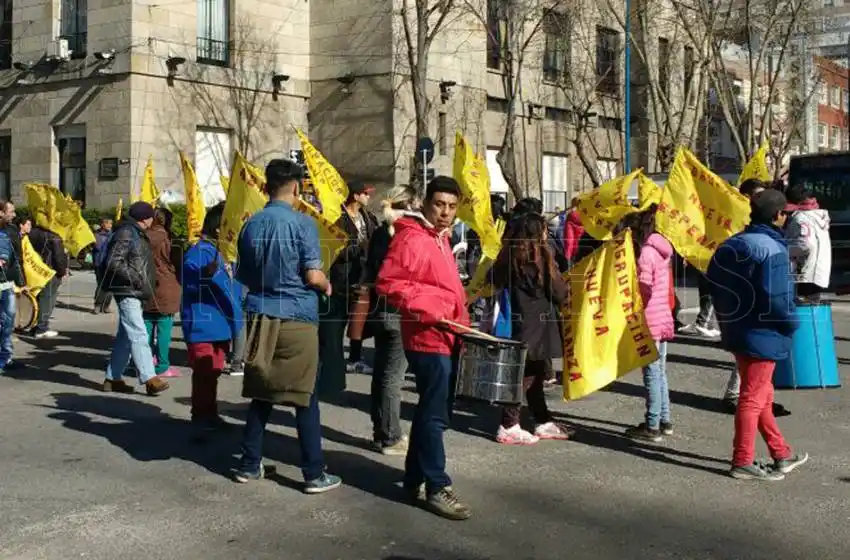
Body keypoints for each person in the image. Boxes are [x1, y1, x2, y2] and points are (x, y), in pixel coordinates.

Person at [233, 158, 341, 494]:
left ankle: (249, 464)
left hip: (260, 316)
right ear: (296, 187)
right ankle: (313, 473)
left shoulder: (250, 225)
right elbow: (312, 273)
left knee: (262, 395)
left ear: (266, 187)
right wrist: (325, 283)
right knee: (303, 397)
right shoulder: (303, 224)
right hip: (297, 317)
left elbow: (244, 275)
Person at [376, 176, 472, 521]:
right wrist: (434, 308)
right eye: (439, 205)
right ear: (425, 204)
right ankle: (436, 485)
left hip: (448, 335)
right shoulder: (412, 238)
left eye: (451, 206)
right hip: (426, 336)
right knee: (435, 414)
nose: (445, 212)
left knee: (431, 411)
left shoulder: (439, 238)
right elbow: (388, 283)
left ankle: (414, 477)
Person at [707, 190, 808, 481]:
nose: (786, 217)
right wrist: (791, 323)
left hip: (738, 329)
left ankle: (781, 453)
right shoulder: (772, 249)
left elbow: (713, 281)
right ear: (777, 216)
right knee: (753, 397)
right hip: (763, 332)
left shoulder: (732, 243)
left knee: (761, 395)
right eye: (784, 213)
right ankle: (742, 461)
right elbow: (776, 297)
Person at [491, 212, 571, 445]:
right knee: (524, 376)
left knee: (533, 374)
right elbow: (559, 292)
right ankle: (508, 424)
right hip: (537, 324)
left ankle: (542, 419)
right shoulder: (542, 258)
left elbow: (493, 280)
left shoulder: (508, 256)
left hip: (518, 323)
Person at [364, 186, 420, 456]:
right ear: (409, 204)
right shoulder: (407, 233)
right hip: (399, 311)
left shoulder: (379, 232)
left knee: (382, 374)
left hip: (380, 309)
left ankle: (381, 431)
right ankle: (390, 435)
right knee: (392, 377)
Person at [181, 202, 242, 431]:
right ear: (219, 228)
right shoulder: (199, 251)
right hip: (202, 324)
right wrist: (203, 275)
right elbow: (188, 276)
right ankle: (199, 417)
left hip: (222, 323)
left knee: (214, 371)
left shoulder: (226, 252)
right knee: (204, 372)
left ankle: (210, 412)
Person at [100, 201, 170, 396]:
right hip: (127, 290)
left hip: (131, 289)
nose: (152, 220)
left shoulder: (132, 232)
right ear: (144, 218)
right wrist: (137, 279)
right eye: (150, 216)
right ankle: (149, 378)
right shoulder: (127, 233)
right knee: (138, 332)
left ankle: (113, 378)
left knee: (126, 336)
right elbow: (113, 262)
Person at [318, 181, 379, 399]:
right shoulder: (338, 219)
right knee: (336, 327)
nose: (368, 198)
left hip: (362, 279)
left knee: (359, 322)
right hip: (341, 280)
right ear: (355, 195)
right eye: (365, 193)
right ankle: (330, 370)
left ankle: (355, 357)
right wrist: (357, 249)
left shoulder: (369, 217)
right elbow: (332, 251)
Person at [624, 207, 676, 442]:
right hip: (662, 315)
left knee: (652, 374)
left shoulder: (645, 253)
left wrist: (632, 309)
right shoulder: (660, 249)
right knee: (660, 372)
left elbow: (644, 288)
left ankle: (652, 424)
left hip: (650, 320)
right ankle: (664, 420)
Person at [719, 178, 767, 412]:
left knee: (756, 354)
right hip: (741, 294)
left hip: (754, 291)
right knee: (747, 350)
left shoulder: (758, 220)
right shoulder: (735, 220)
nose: (760, 201)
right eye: (756, 196)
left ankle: (754, 397)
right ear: (745, 196)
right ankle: (736, 395)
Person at [143, 208, 181, 378]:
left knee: (146, 328)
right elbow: (179, 264)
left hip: (145, 285)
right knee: (164, 329)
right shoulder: (172, 239)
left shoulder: (142, 237)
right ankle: (163, 365)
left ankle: (144, 361)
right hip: (167, 286)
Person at [784, 184, 831, 303]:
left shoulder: (801, 218)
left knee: (802, 310)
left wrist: (784, 249)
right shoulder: (818, 216)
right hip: (818, 271)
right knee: (812, 307)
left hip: (805, 273)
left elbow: (805, 244)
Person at [28, 223, 68, 338]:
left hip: (35, 271)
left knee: (37, 298)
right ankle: (42, 328)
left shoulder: (31, 233)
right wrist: (62, 271)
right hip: (51, 271)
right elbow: (58, 257)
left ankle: (34, 325)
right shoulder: (54, 237)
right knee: (48, 300)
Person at [0, 201, 24, 372]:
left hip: (7, 282)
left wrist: (21, 281)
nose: (14, 215)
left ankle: (5, 357)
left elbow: (17, 258)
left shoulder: (12, 230)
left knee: (8, 321)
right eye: (11, 211)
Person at [92, 217, 114, 314]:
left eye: (110, 224)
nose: (109, 225)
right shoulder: (97, 235)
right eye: (107, 223)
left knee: (110, 285)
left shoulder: (114, 235)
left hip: (110, 263)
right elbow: (97, 246)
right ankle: (98, 304)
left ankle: (106, 305)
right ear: (102, 224)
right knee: (101, 284)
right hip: (100, 263)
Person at [562, 198, 585, 268]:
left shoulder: (571, 215)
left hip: (573, 250)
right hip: (584, 247)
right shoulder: (585, 216)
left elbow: (569, 238)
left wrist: (567, 254)